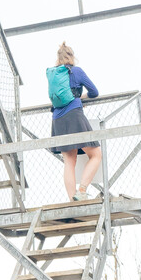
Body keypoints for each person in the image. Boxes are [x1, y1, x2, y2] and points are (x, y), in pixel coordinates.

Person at [47, 42, 102, 202]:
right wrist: (79, 96)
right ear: (71, 56)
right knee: (96, 154)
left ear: (58, 59)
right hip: (74, 115)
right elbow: (94, 92)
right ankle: (82, 190)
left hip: (57, 119)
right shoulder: (76, 71)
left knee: (69, 161)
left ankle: (72, 200)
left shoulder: (54, 75)